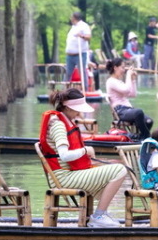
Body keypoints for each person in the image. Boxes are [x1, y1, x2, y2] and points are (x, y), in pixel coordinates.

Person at [38, 88, 128, 228]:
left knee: (111, 171)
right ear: (67, 107)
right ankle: (99, 216)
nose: (79, 113)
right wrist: (86, 150)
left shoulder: (64, 121)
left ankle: (102, 213)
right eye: (76, 109)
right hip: (63, 177)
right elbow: (64, 155)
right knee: (120, 170)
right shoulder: (58, 125)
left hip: (68, 174)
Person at [105, 57, 153, 140]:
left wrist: (133, 79)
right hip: (120, 111)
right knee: (138, 112)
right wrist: (128, 75)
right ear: (115, 68)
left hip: (128, 110)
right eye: (122, 67)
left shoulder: (119, 82)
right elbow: (126, 89)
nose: (124, 70)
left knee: (149, 121)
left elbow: (133, 94)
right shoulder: (110, 81)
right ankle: (146, 137)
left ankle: (140, 137)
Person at [64, 11, 92, 85]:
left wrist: (81, 35)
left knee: (82, 72)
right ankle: (64, 91)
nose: (70, 19)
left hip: (79, 54)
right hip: (70, 55)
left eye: (71, 17)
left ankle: (85, 90)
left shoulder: (84, 26)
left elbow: (88, 37)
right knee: (67, 73)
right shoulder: (73, 27)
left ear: (74, 18)